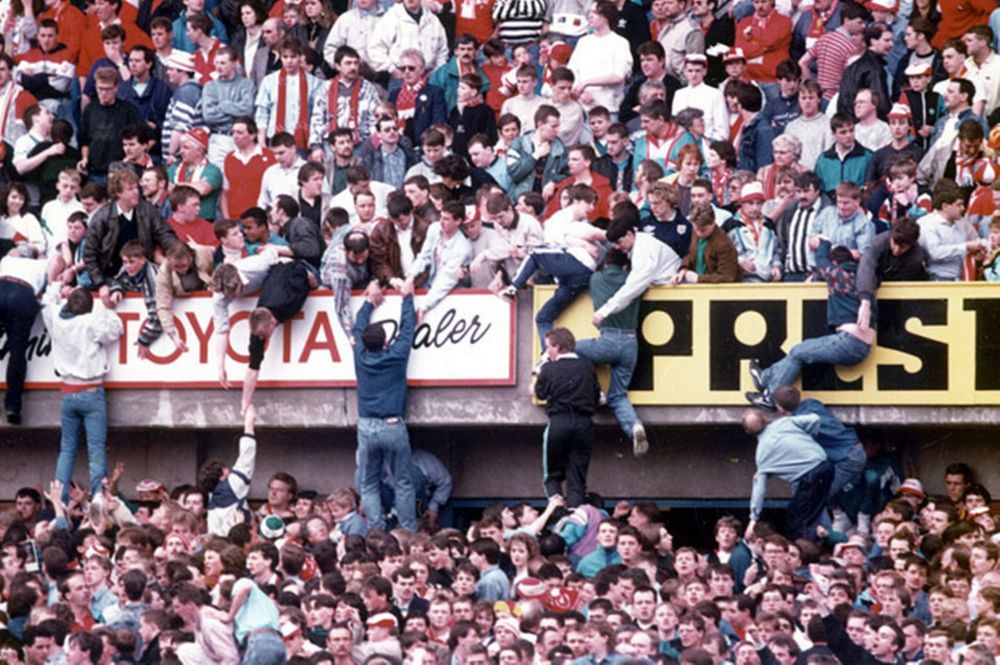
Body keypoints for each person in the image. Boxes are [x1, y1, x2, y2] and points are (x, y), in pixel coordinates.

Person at [747, 240, 875, 410]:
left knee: (798, 352)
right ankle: (766, 377)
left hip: (849, 341)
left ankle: (770, 397)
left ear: (835, 263)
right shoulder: (867, 279)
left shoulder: (839, 275)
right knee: (799, 351)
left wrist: (824, 243)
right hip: (861, 345)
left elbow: (821, 260)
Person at [42, 283, 124, 501]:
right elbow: (115, 329)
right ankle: (98, 496)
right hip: (91, 390)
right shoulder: (90, 321)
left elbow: (47, 302)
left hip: (68, 391)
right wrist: (107, 308)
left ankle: (59, 499)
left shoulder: (57, 319)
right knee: (95, 449)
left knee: (67, 449)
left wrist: (59, 283)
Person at [351, 277, 418, 532]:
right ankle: (408, 531)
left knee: (368, 484)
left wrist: (369, 302)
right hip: (393, 424)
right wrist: (407, 297)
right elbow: (408, 328)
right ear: (386, 342)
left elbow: (358, 326)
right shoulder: (397, 354)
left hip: (367, 425)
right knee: (403, 482)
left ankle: (377, 532)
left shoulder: (360, 355)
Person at [574, 248, 650, 458]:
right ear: (625, 265)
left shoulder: (596, 279)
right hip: (630, 343)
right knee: (618, 395)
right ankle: (634, 426)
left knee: (571, 350)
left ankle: (597, 392)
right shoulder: (633, 279)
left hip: (607, 339)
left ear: (606, 263)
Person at [533, 328, 601, 509]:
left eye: (548, 347)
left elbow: (537, 393)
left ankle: (556, 513)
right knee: (577, 477)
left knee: (552, 475)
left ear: (557, 346)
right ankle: (574, 516)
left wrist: (540, 368)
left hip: (559, 421)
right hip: (584, 423)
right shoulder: (587, 366)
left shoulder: (549, 368)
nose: (547, 351)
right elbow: (597, 397)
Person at [741, 408, 832, 541]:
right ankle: (820, 538)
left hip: (812, 476)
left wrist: (753, 519)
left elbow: (759, 490)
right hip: (826, 465)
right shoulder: (784, 423)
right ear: (765, 419)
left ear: (747, 432)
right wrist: (808, 438)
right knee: (803, 512)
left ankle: (806, 551)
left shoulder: (762, 455)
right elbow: (815, 419)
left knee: (800, 520)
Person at [0, 244, 47, 425]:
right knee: (17, 353)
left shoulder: (7, 260)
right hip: (22, 294)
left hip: (2, 285)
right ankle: (13, 407)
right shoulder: (41, 265)